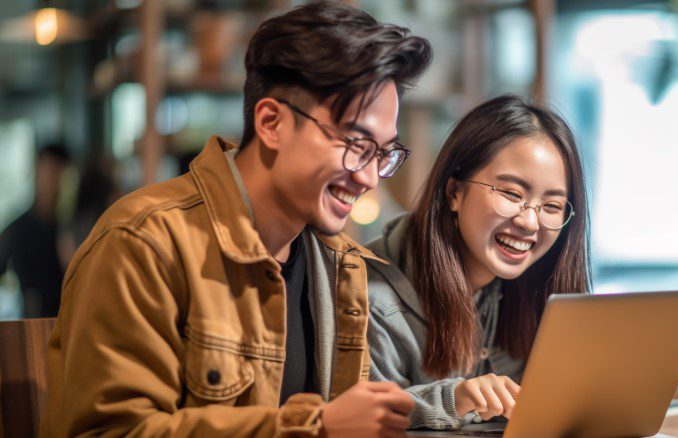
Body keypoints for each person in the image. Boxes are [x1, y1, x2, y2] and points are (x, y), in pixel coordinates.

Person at [42, 3, 432, 437]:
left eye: (383, 154)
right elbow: (110, 431)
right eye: (357, 144)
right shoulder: (144, 242)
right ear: (271, 123)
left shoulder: (340, 267)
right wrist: (312, 428)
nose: (368, 177)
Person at [365, 94, 591, 429]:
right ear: (454, 192)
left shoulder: (531, 288)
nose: (531, 222)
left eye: (552, 206)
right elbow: (363, 419)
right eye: (512, 194)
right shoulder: (371, 297)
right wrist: (456, 398)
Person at [0, 143, 70, 318]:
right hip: (29, 329)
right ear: (36, 172)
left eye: (59, 174)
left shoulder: (70, 229)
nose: (53, 182)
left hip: (67, 326)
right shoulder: (17, 230)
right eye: (50, 173)